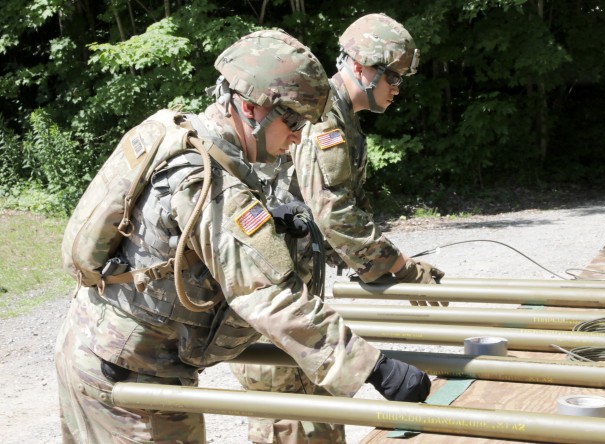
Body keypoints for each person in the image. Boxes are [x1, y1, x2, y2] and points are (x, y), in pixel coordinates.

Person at [54, 29, 431, 444]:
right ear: (251, 108)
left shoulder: (197, 143)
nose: (299, 136)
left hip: (105, 355)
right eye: (291, 121)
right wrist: (374, 368)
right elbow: (267, 296)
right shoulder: (210, 182)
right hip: (131, 383)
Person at [231, 14, 446, 443]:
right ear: (365, 68)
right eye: (394, 78)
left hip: (298, 293)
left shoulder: (340, 116)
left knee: (322, 422)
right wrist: (399, 265)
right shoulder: (325, 116)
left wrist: (380, 263)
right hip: (277, 299)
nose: (397, 90)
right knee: (288, 424)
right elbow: (333, 212)